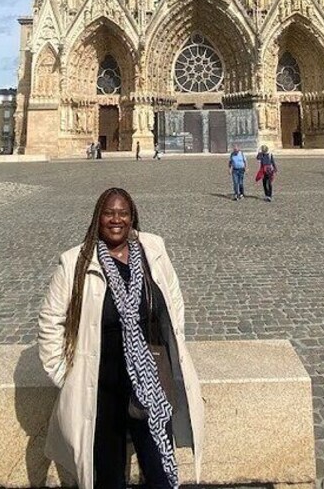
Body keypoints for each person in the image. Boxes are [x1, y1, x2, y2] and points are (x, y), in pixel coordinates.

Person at [37, 188, 204, 489]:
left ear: (132, 217)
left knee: (160, 468)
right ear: (97, 218)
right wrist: (62, 374)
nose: (116, 219)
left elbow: (174, 296)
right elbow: (51, 321)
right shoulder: (75, 261)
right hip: (102, 386)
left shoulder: (152, 248)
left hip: (151, 379)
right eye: (109, 213)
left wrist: (174, 338)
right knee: (108, 475)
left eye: (123, 213)